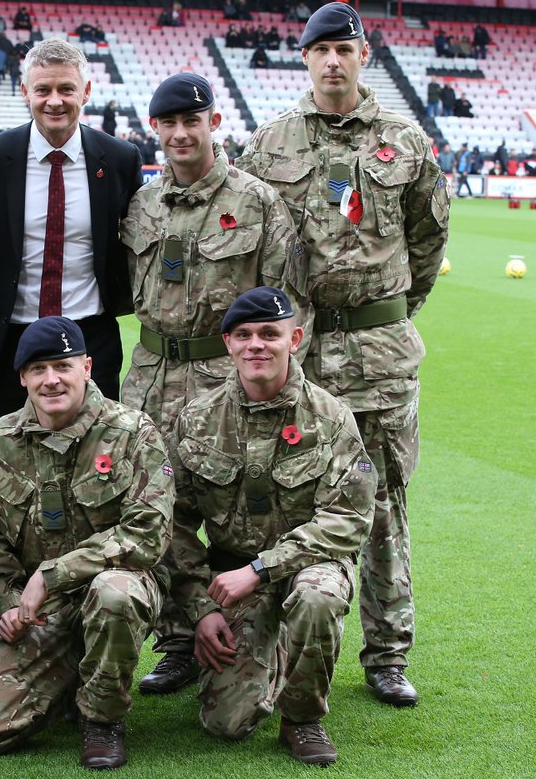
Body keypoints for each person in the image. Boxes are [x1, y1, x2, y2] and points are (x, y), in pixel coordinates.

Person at [236, 2, 449, 708]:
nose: (333, 60)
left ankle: (388, 655)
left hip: (380, 356)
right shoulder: (269, 145)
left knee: (383, 504)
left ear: (365, 55)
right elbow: (246, 240)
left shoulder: (405, 141)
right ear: (304, 58)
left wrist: (380, 319)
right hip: (296, 357)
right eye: (320, 48)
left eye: (345, 48)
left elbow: (427, 244)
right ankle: (275, 650)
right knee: (288, 503)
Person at [120, 73, 308, 696]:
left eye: (191, 122)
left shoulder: (256, 201)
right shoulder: (143, 203)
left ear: (213, 124)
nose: (180, 134)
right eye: (168, 124)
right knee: (154, 506)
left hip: (224, 379)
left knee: (239, 506)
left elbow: (286, 297)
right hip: (149, 375)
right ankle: (177, 638)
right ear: (156, 130)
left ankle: (256, 629)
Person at [0, 316, 174, 769]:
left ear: (87, 367)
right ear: (22, 377)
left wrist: (53, 573)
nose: (51, 379)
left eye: (62, 366)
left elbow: (148, 532)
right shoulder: (1, 440)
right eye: (38, 369)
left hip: (120, 591)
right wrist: (9, 603)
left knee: (114, 592)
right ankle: (72, 676)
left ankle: (101, 718)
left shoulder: (133, 431)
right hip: (41, 611)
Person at [168, 286, 374, 766]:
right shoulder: (197, 420)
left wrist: (262, 568)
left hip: (310, 566)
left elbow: (347, 519)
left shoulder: (332, 418)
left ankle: (302, 719)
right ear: (228, 343)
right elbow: (172, 525)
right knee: (226, 725)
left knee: (315, 595)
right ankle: (270, 647)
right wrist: (201, 608)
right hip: (231, 581)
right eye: (244, 335)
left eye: (269, 334)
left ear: (295, 338)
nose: (256, 345)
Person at [0, 38, 144, 428]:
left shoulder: (120, 159)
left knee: (94, 463)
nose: (54, 101)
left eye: (66, 89)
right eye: (43, 90)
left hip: (90, 336)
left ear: (86, 92)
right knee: (8, 464)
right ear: (26, 92)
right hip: (8, 338)